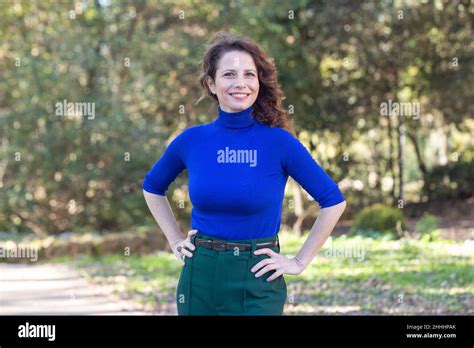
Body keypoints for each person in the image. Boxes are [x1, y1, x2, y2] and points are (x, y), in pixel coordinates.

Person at [142, 31, 346, 315]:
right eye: (229, 75)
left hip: (257, 279)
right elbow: (152, 187)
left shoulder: (279, 142)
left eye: (249, 75)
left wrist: (299, 262)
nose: (241, 83)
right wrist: (175, 241)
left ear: (258, 83)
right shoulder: (191, 141)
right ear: (212, 84)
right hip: (199, 277)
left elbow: (333, 200)